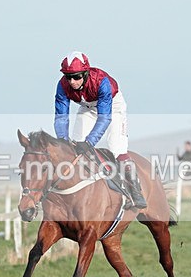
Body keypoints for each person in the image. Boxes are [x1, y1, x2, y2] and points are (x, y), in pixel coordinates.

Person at [54, 51, 147, 209]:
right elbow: (61, 117)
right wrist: (62, 140)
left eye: (76, 77)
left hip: (113, 108)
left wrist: (90, 142)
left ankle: (135, 190)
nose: (72, 82)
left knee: (117, 149)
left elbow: (104, 118)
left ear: (85, 73)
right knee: (73, 148)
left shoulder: (101, 82)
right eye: (68, 77)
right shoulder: (62, 85)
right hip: (87, 108)